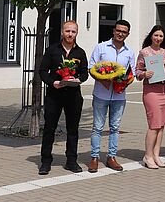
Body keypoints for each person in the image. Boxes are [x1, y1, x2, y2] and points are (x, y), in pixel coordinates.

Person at [38, 21, 88, 175]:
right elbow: (42, 71)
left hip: (73, 96)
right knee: (49, 129)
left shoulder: (80, 52)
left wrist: (78, 79)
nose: (70, 34)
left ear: (77, 33)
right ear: (62, 32)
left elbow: (85, 73)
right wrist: (53, 82)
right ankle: (46, 161)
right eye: (67, 31)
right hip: (54, 95)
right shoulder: (52, 50)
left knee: (73, 130)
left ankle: (71, 161)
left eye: (73, 31)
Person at [88, 20, 135, 173]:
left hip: (119, 96)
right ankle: (94, 157)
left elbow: (131, 73)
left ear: (127, 34)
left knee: (115, 128)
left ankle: (111, 157)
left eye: (124, 31)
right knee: (97, 127)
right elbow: (91, 67)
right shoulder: (101, 47)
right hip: (101, 93)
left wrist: (124, 83)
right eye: (118, 30)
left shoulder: (129, 52)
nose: (121, 33)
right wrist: (102, 80)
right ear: (113, 31)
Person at [135, 25, 165, 169]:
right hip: (151, 90)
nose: (158, 38)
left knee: (162, 125)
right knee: (154, 124)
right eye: (156, 35)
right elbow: (137, 72)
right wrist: (144, 74)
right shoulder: (144, 52)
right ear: (151, 36)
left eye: (161, 36)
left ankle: (156, 154)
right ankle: (148, 155)